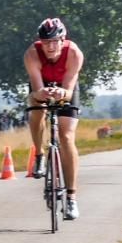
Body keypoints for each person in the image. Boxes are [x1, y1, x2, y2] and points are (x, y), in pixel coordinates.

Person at [24, 17, 84, 220]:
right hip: (42, 86)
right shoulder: (32, 54)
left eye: (54, 41)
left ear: (62, 39)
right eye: (45, 42)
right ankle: (40, 156)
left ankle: (72, 198)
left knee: (66, 137)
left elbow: (68, 90)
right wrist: (43, 93)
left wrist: (61, 93)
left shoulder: (74, 54)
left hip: (66, 88)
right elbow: (37, 88)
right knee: (35, 111)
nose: (49, 46)